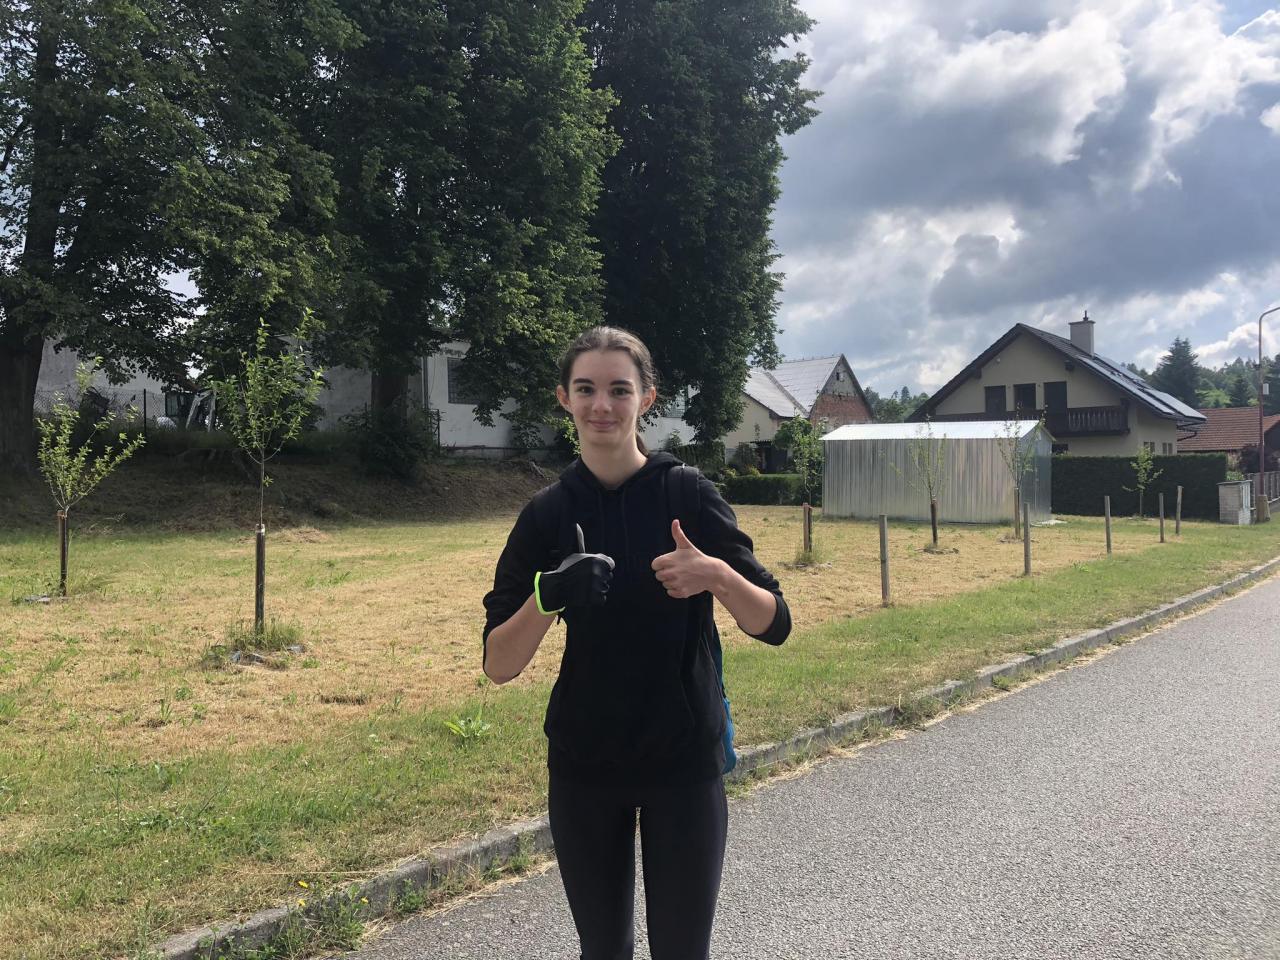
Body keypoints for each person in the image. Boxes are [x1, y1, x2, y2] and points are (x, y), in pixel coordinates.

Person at [482, 326, 791, 960]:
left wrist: (716, 575)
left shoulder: (688, 495)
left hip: (683, 760)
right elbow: (498, 663)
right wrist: (548, 595)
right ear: (564, 399)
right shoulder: (546, 514)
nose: (602, 405)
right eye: (586, 389)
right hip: (586, 763)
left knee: (682, 951)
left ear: (647, 398)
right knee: (603, 951)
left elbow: (775, 622)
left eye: (619, 390)